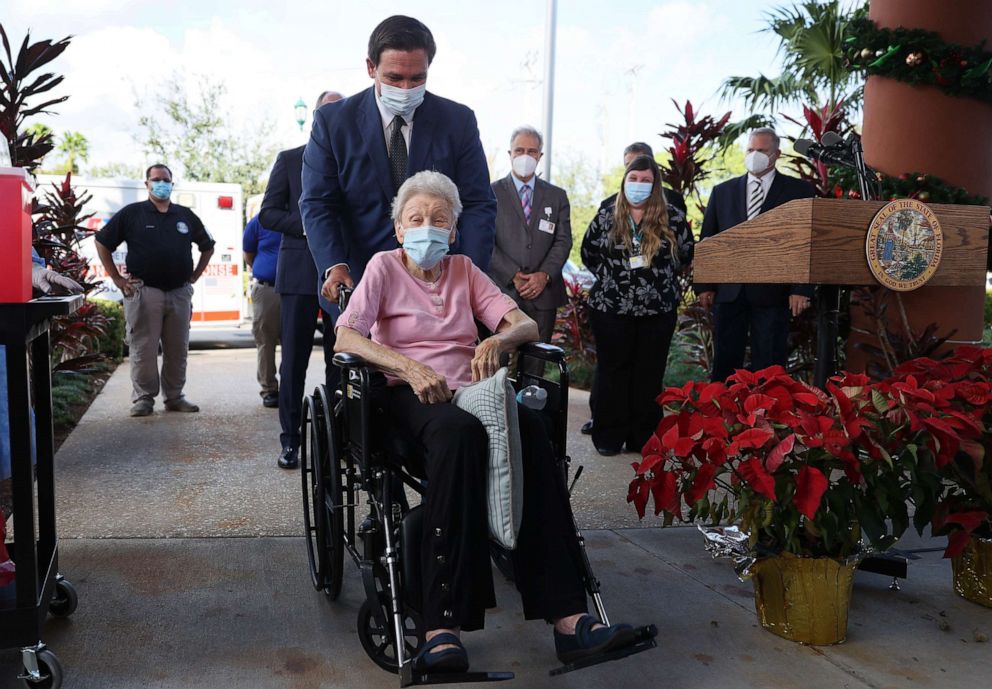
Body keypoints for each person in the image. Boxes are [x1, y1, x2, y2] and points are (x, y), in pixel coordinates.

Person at [335, 170, 638, 672]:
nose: (427, 227)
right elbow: (348, 338)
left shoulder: (465, 270)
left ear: (453, 231)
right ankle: (441, 628)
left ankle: (570, 620)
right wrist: (409, 367)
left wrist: (499, 339)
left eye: (439, 219)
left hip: (472, 392)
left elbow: (525, 322)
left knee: (530, 435)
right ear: (399, 228)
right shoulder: (383, 268)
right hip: (410, 397)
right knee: (460, 435)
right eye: (416, 219)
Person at [301, 15, 497, 315]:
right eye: (394, 78)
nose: (406, 88)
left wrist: (469, 277)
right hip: (358, 284)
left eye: (417, 78)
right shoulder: (333, 123)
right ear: (371, 67)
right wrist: (334, 266)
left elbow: (478, 204)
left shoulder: (457, 122)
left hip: (440, 288)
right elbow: (318, 203)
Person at [580, 155, 693, 456]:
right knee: (613, 373)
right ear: (624, 181)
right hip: (610, 309)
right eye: (634, 179)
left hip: (657, 311)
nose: (639, 185)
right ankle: (608, 436)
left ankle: (643, 437)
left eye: (646, 180)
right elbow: (588, 253)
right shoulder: (606, 215)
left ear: (655, 185)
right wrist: (616, 282)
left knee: (648, 374)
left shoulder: (673, 217)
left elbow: (686, 255)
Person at [261, 90, 344, 469]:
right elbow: (269, 214)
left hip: (343, 275)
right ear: (314, 117)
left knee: (341, 359)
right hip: (298, 274)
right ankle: (290, 440)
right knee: (293, 362)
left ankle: (337, 440)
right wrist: (312, 227)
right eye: (327, 112)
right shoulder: (290, 159)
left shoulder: (354, 160)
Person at [695, 127, 815, 382]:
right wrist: (704, 285)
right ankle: (722, 418)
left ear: (777, 154)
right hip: (729, 291)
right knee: (725, 364)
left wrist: (801, 288)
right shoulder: (722, 192)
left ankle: (767, 418)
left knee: (769, 364)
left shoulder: (799, 192)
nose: (754, 155)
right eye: (750, 150)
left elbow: (807, 242)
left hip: (774, 292)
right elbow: (708, 240)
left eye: (761, 151)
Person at [95, 164, 215, 417]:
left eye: (166, 180)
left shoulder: (185, 215)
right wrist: (116, 278)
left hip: (179, 292)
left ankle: (174, 397)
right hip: (145, 291)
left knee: (177, 349)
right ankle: (143, 399)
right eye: (156, 179)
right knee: (143, 348)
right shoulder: (132, 213)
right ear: (147, 183)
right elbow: (102, 241)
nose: (161, 184)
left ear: (172, 184)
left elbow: (208, 246)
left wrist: (194, 276)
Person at [488, 125, 571, 375]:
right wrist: (511, 273)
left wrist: (543, 275)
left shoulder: (557, 196)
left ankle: (531, 414)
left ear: (540, 156)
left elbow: (563, 240)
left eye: (531, 151)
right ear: (510, 153)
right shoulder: (489, 193)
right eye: (519, 150)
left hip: (543, 294)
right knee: (498, 364)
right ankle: (498, 413)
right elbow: (483, 241)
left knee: (535, 368)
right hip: (501, 292)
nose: (525, 156)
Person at [242, 213, 282, 408]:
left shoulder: (300, 216)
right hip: (267, 289)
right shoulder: (258, 222)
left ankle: (291, 387)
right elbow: (248, 255)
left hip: (296, 290)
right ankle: (269, 390)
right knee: (266, 341)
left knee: (295, 344)